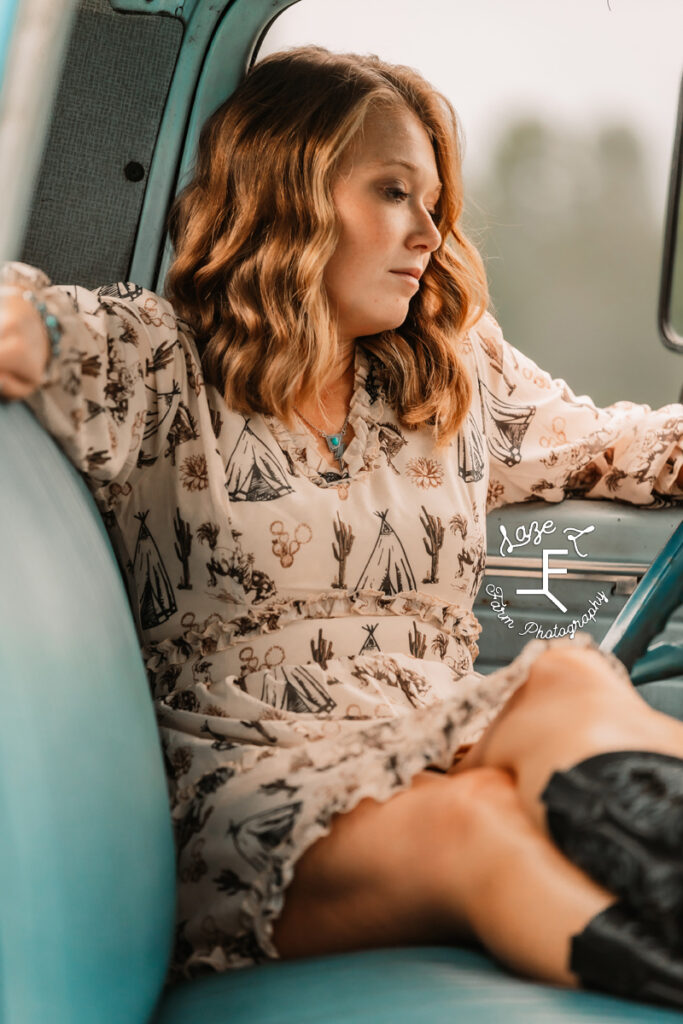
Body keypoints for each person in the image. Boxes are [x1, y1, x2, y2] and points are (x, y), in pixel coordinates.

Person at [1, 43, 683, 1007]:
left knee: (569, 675)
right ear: (287, 193)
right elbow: (38, 320)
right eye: (392, 192)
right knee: (475, 827)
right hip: (253, 795)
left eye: (433, 202)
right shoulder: (158, 361)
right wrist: (23, 323)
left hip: (430, 730)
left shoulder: (450, 375)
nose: (428, 233)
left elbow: (620, 444)